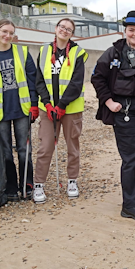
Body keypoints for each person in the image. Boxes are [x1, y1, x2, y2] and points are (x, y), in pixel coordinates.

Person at [91, 10, 135, 221]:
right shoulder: (113, 52)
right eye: (131, 30)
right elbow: (98, 78)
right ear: (125, 31)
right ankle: (129, 205)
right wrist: (109, 102)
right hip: (125, 113)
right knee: (131, 158)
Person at [0, 19, 38, 202]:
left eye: (11, 33)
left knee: (24, 149)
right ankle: (10, 187)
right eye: (4, 31)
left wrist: (34, 104)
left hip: (21, 109)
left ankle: (27, 185)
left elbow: (32, 80)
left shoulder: (22, 52)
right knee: (5, 151)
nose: (7, 36)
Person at [33, 18, 88, 203]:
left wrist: (62, 105)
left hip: (70, 109)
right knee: (45, 146)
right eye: (62, 27)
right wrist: (47, 104)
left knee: (72, 146)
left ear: (72, 34)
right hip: (47, 109)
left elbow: (76, 82)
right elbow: (39, 80)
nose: (64, 31)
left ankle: (72, 181)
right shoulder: (44, 50)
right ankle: (39, 184)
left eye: (69, 29)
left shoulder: (78, 53)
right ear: (56, 29)